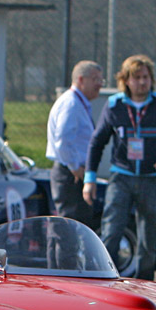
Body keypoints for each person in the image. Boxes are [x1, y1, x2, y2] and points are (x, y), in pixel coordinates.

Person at [83, 55, 156, 280]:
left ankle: (144, 283)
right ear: (126, 80)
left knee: (148, 237)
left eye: (146, 77)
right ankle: (104, 280)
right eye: (137, 78)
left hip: (151, 179)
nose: (142, 82)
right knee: (112, 230)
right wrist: (89, 179)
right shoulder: (114, 106)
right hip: (121, 177)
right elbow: (96, 142)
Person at [46, 60, 104, 229]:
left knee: (75, 225)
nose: (99, 84)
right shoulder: (71, 104)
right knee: (68, 226)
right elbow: (63, 139)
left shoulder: (79, 103)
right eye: (95, 79)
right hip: (70, 174)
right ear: (80, 79)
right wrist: (74, 167)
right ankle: (63, 257)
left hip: (75, 171)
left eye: (101, 80)